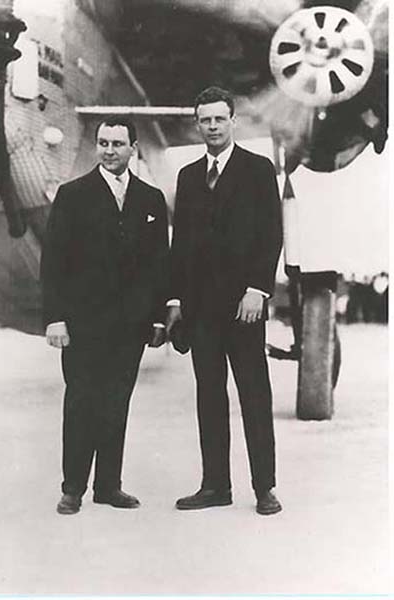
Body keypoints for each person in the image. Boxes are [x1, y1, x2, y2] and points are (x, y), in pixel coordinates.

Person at [40, 117, 169, 515]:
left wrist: (158, 318)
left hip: (130, 325)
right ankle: (72, 488)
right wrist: (55, 318)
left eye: (117, 143)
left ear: (133, 148)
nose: (109, 150)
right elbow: (54, 262)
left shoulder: (151, 199)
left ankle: (109, 486)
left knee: (117, 402)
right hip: (82, 324)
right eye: (103, 143)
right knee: (81, 402)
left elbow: (158, 265)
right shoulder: (72, 195)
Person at [166, 86, 283, 515]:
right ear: (197, 124)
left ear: (233, 120)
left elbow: (271, 233)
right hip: (202, 311)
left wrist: (258, 289)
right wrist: (176, 300)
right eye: (205, 120)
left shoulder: (257, 169)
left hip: (244, 307)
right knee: (209, 396)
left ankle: (265, 488)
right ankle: (215, 485)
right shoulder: (188, 177)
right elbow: (181, 247)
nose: (212, 127)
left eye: (219, 119)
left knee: (254, 394)